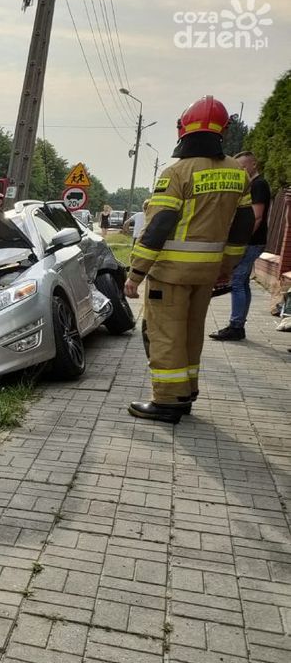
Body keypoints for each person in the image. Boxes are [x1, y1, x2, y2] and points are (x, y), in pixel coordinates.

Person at [123, 95, 254, 423]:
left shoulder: (178, 172)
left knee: (164, 333)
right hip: (207, 273)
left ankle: (167, 401)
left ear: (184, 130)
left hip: (170, 274)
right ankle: (187, 391)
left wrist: (136, 273)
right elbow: (243, 226)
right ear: (222, 131)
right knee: (192, 332)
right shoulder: (237, 172)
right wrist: (228, 267)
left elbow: (159, 226)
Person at [209, 150, 271, 341]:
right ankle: (238, 324)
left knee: (236, 281)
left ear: (254, 165)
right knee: (242, 282)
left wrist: (240, 241)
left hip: (250, 242)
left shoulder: (258, 185)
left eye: (243, 167)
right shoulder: (251, 184)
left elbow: (257, 217)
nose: (241, 171)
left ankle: (236, 326)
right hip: (251, 241)